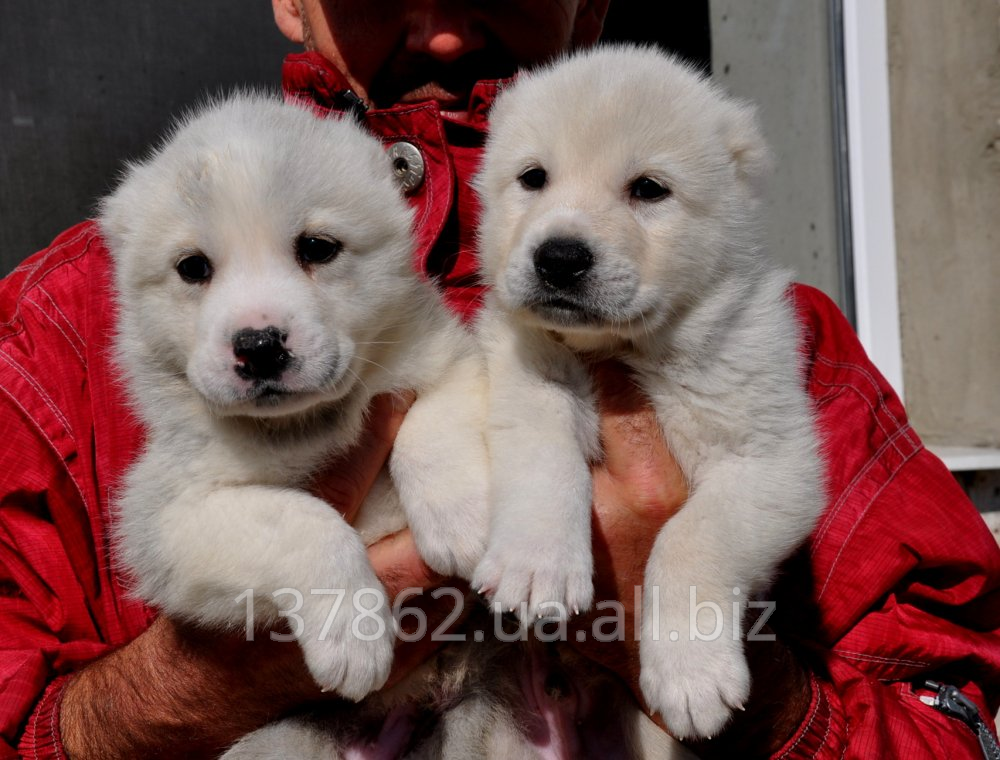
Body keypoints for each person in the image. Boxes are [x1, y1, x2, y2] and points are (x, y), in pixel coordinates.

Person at [1, 1, 997, 757]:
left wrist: (702, 646)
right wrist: (218, 674)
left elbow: (948, 721)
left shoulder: (762, 327)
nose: (440, 33)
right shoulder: (65, 322)